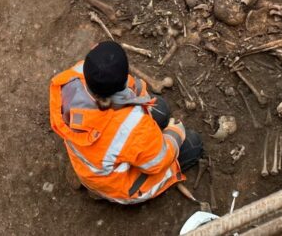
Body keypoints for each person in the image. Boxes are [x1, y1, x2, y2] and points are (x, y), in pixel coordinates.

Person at [49, 41, 203, 204]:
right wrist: (175, 133)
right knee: (193, 144)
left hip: (89, 161)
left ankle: (89, 181)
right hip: (117, 184)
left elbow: (129, 89)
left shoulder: (73, 77)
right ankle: (100, 192)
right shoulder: (129, 127)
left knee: (160, 108)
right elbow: (158, 162)